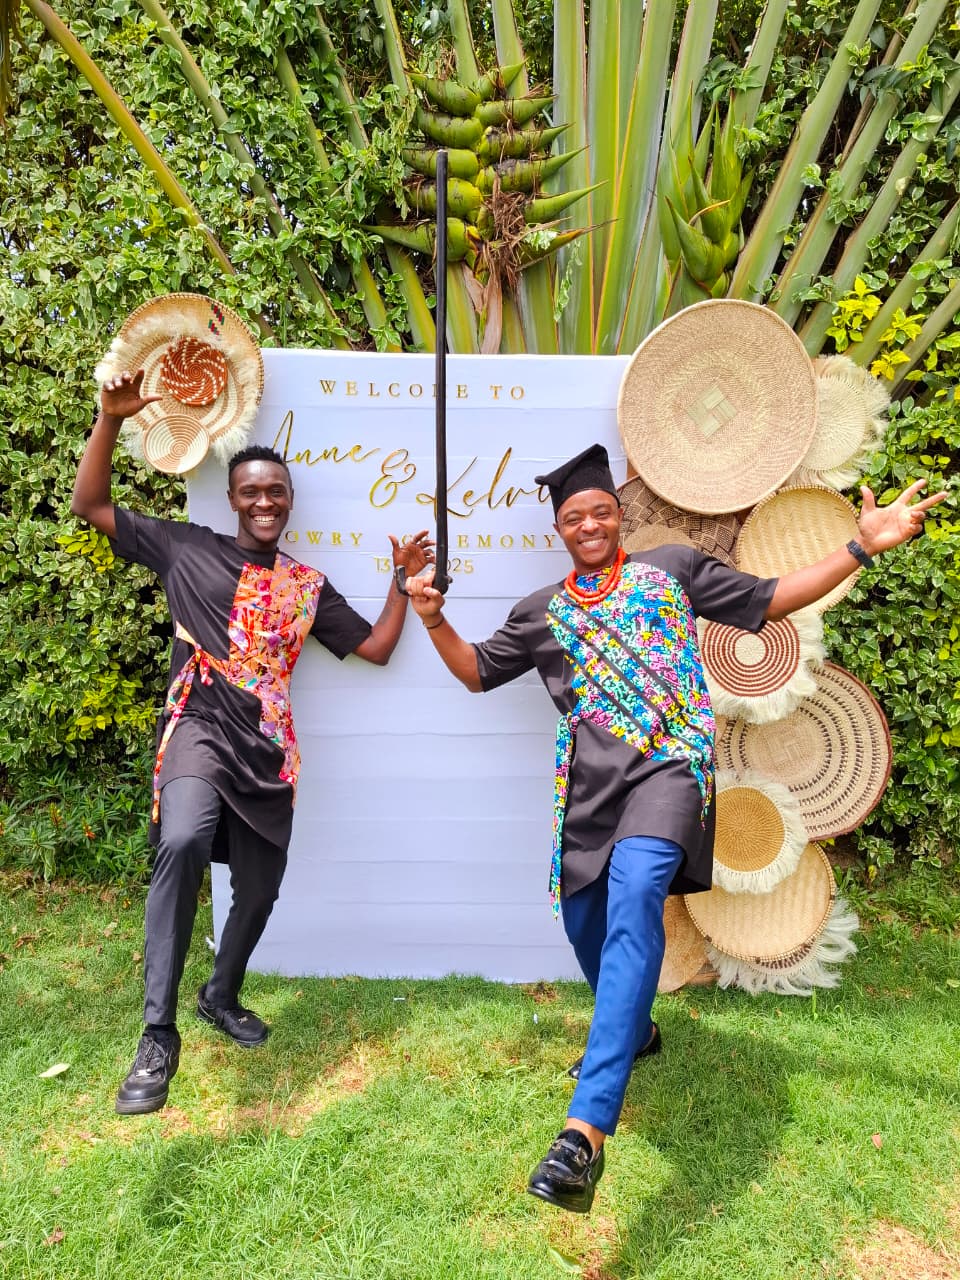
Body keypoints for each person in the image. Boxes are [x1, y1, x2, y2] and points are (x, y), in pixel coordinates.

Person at [403, 441, 946, 1214]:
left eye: (601, 511)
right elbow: (476, 671)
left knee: (636, 898)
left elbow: (772, 599)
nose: (590, 525)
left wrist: (861, 547)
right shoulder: (541, 611)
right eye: (574, 517)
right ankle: (635, 1033)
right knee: (585, 922)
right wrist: (431, 618)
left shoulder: (672, 571)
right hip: (587, 792)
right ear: (560, 530)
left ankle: (583, 1136)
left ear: (617, 516)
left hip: (668, 772)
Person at [71, 368, 433, 1116]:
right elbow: (90, 504)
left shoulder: (306, 586)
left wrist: (400, 584)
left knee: (261, 888)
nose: (264, 501)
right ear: (233, 499)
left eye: (276, 492)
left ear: (289, 501)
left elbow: (374, 648)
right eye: (250, 492)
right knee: (182, 841)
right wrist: (110, 419)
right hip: (199, 728)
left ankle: (220, 994)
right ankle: (157, 1035)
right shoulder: (185, 548)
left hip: (268, 749)